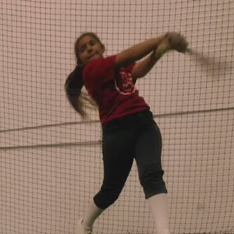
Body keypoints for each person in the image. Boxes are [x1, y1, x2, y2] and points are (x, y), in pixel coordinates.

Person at [65, 32, 188, 234]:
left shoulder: (119, 67)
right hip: (116, 133)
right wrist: (162, 39)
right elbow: (130, 55)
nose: (89, 48)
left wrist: (161, 50)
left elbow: (138, 70)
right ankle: (85, 223)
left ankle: (163, 230)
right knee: (111, 190)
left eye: (92, 43)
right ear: (81, 61)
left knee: (152, 174)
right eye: (83, 48)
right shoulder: (92, 71)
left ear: (102, 47)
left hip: (144, 124)